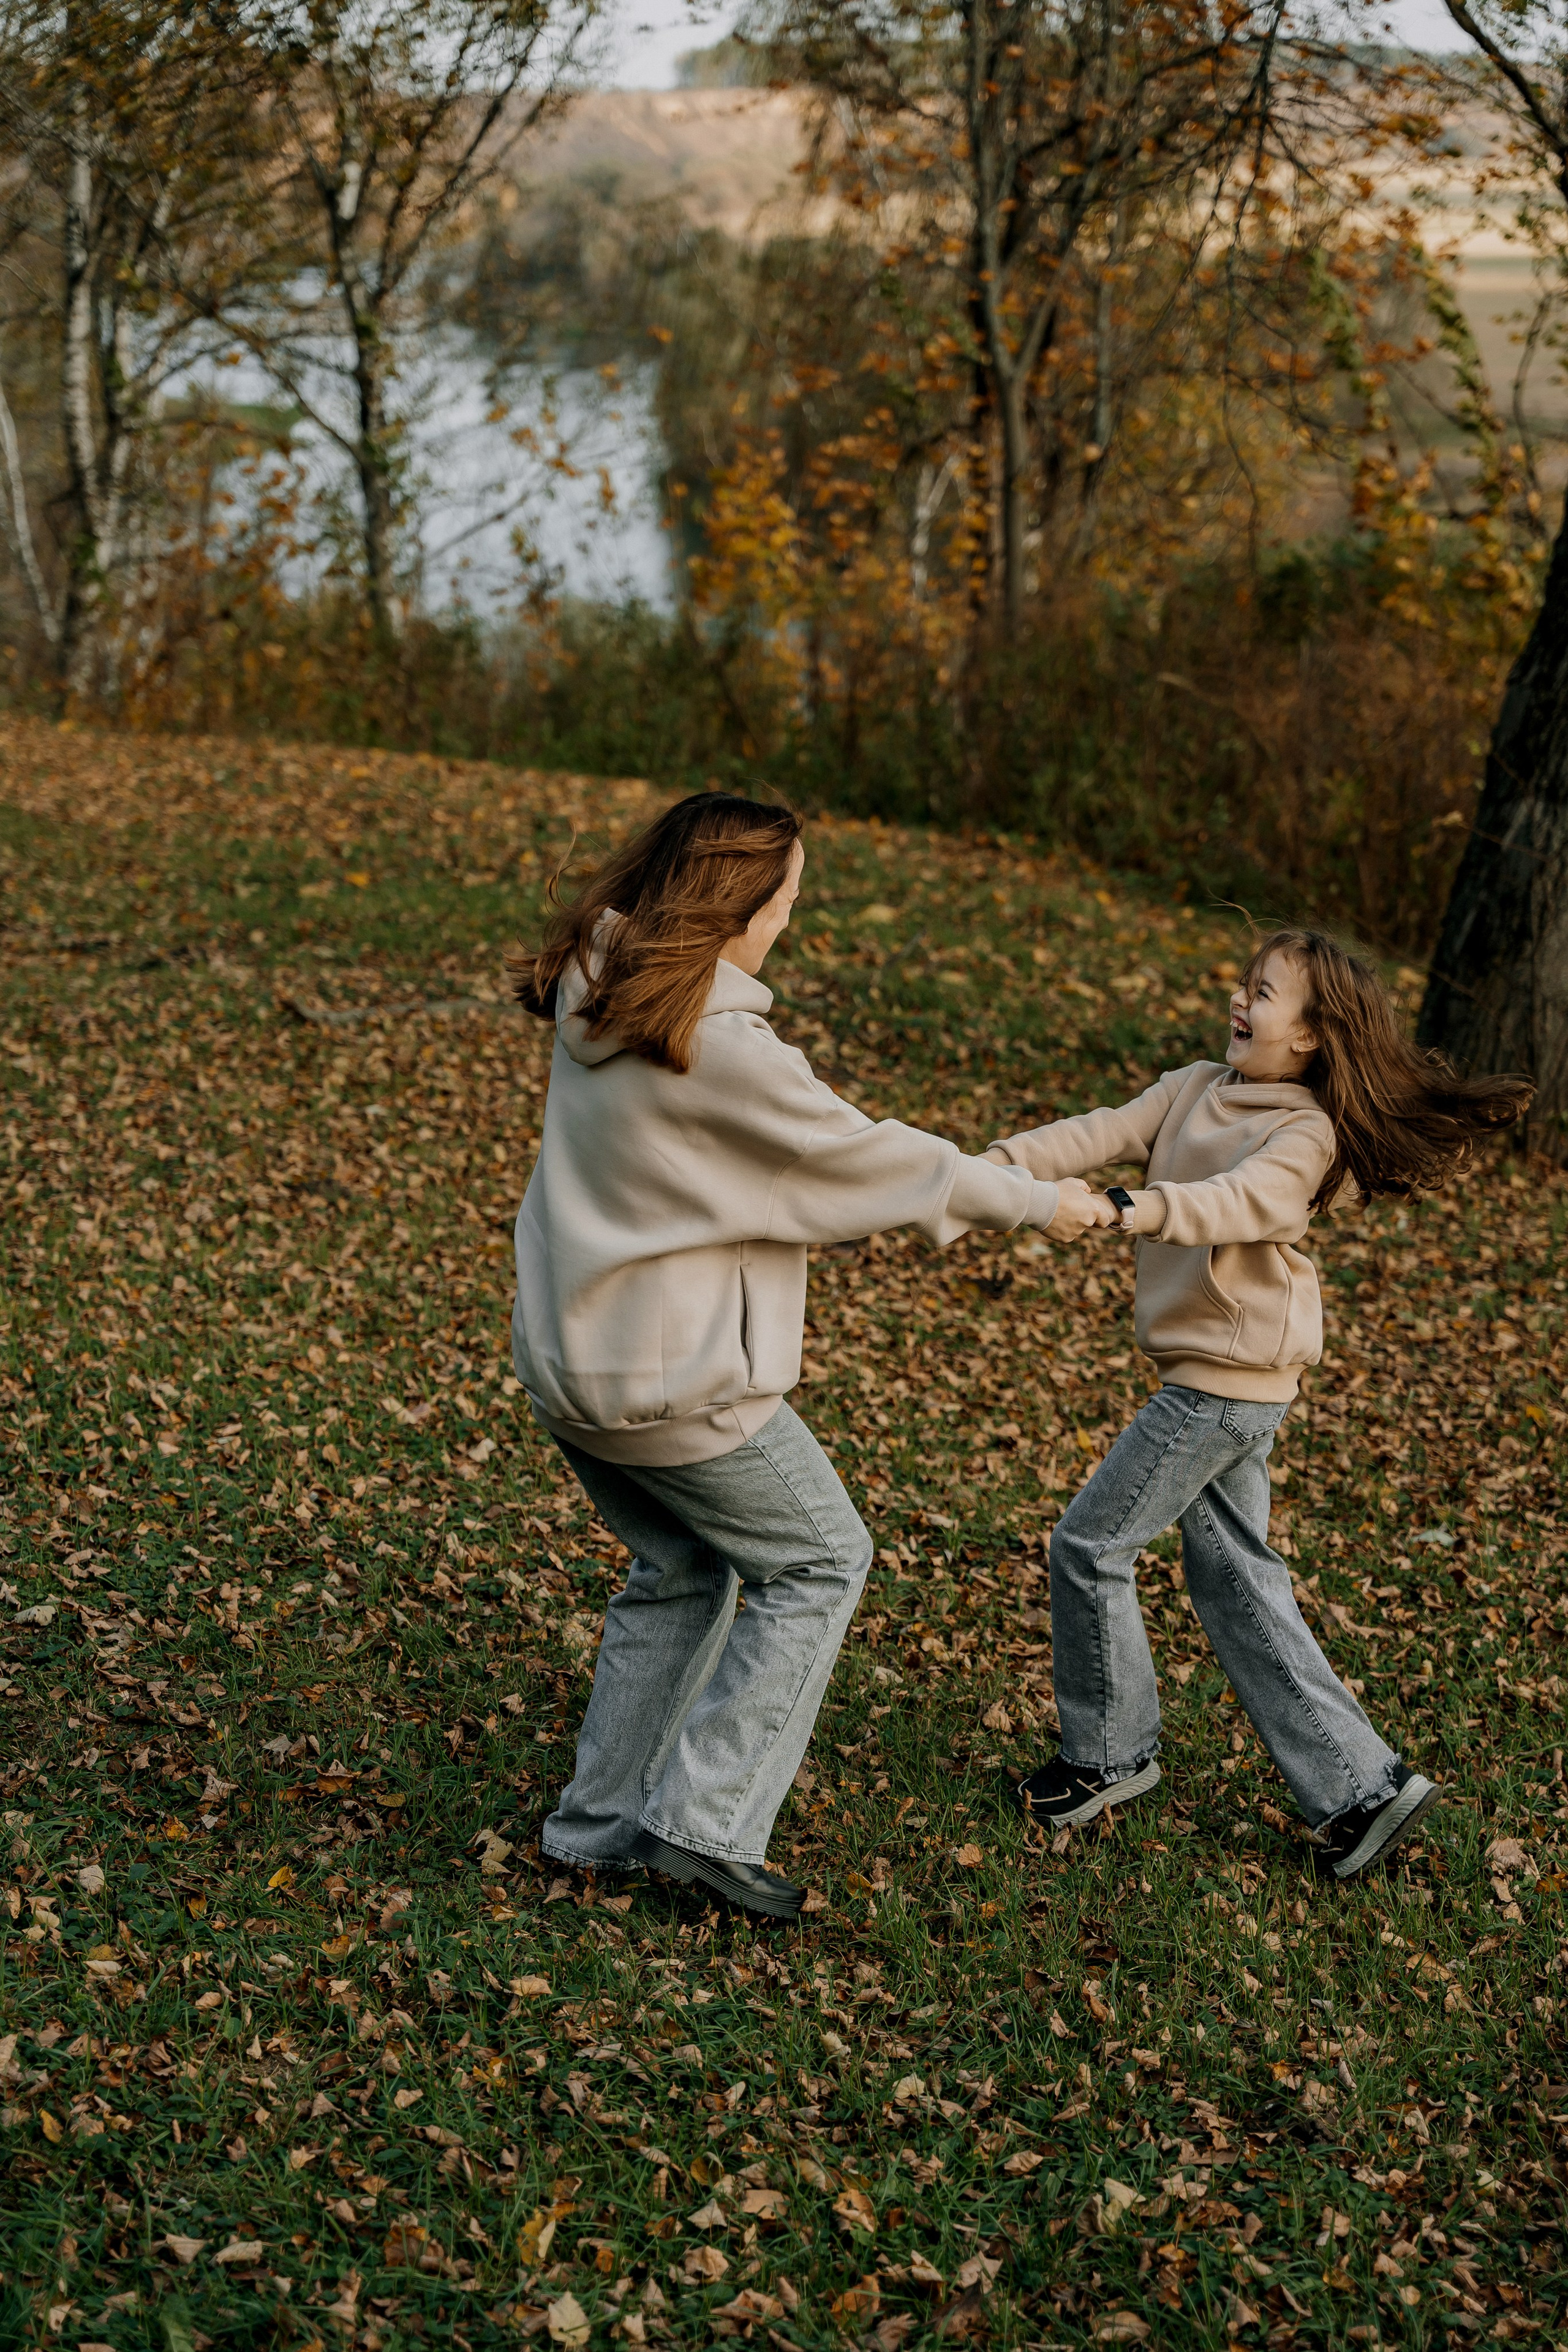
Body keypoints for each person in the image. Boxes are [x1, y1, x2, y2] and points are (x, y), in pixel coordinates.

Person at [506, 792, 1107, 1918]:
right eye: (785, 901)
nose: (789, 921)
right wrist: (1040, 1202)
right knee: (823, 1559)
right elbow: (866, 1158)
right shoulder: (716, 1046)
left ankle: (595, 1834)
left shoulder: (599, 985)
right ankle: (705, 1825)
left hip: (571, 1372)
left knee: (681, 1572)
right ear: (733, 908)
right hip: (675, 1392)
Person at [986, 929, 1531, 1880]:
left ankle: (1108, 1757)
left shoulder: (1305, 1134)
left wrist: (1130, 1207)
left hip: (1223, 1388)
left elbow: (1240, 1201)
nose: (1241, 999)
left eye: (1265, 992)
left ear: (1311, 1035)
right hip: (1218, 1382)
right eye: (1245, 984)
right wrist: (993, 1168)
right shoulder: (1197, 1085)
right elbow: (1098, 1131)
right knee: (1235, 1581)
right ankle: (1363, 1790)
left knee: (1089, 1545)